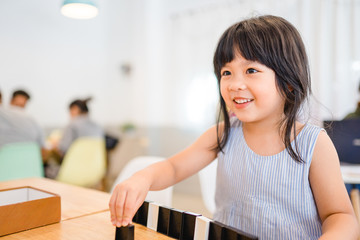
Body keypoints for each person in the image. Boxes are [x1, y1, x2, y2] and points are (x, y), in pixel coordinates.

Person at [109, 15, 359, 239]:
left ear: (289, 82)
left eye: (251, 70)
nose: (234, 84)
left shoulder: (313, 143)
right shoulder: (223, 134)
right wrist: (142, 178)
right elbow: (173, 168)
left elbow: (340, 216)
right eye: (226, 72)